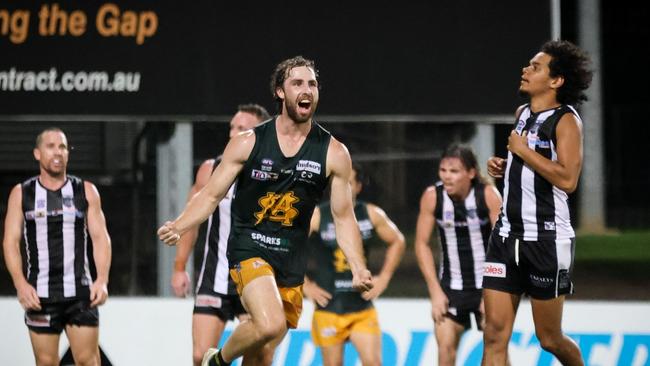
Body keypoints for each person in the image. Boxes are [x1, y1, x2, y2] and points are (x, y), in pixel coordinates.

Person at [158, 55, 373, 366]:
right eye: (297, 83)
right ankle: (216, 361)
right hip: (250, 248)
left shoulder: (334, 152)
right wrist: (179, 225)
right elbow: (211, 195)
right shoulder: (249, 142)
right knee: (270, 323)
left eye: (312, 84)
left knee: (263, 352)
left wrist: (357, 265)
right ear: (280, 92)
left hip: (291, 260)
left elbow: (343, 217)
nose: (307, 90)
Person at [482, 40, 593, 366]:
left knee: (549, 339)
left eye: (536, 67)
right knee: (494, 334)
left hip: (545, 240)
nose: (525, 70)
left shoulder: (566, 121)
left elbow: (568, 180)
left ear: (556, 80)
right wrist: (503, 167)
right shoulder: (522, 114)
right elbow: (527, 164)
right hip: (505, 237)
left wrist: (523, 153)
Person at [170, 104, 271, 366]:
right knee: (199, 356)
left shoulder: (272, 176)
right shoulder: (210, 169)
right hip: (214, 275)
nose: (234, 133)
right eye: (232, 127)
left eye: (242, 128)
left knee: (259, 355)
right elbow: (192, 220)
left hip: (252, 278)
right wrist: (179, 267)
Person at [2, 127, 112, 366]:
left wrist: (101, 279)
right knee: (46, 362)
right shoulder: (22, 193)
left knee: (88, 361)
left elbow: (100, 237)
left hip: (80, 293)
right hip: (40, 294)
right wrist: (20, 284)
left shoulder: (86, 190)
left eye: (62, 146)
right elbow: (10, 241)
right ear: (37, 153)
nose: (57, 152)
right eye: (50, 146)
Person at [303, 162, 405, 366]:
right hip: (328, 307)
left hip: (361, 307)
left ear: (358, 187)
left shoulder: (371, 214)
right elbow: (291, 245)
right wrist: (304, 284)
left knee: (373, 363)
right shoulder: (317, 215)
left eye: (348, 183)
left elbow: (398, 241)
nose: (342, 188)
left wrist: (384, 277)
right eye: (337, 183)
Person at [414, 145, 502, 366]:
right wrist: (435, 291)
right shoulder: (433, 196)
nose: (447, 177)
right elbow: (421, 244)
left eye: (454, 171)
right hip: (451, 288)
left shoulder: (488, 195)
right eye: (443, 170)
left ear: (471, 173)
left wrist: (492, 292)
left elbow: (503, 246)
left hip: (488, 286)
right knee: (445, 350)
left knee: (496, 352)